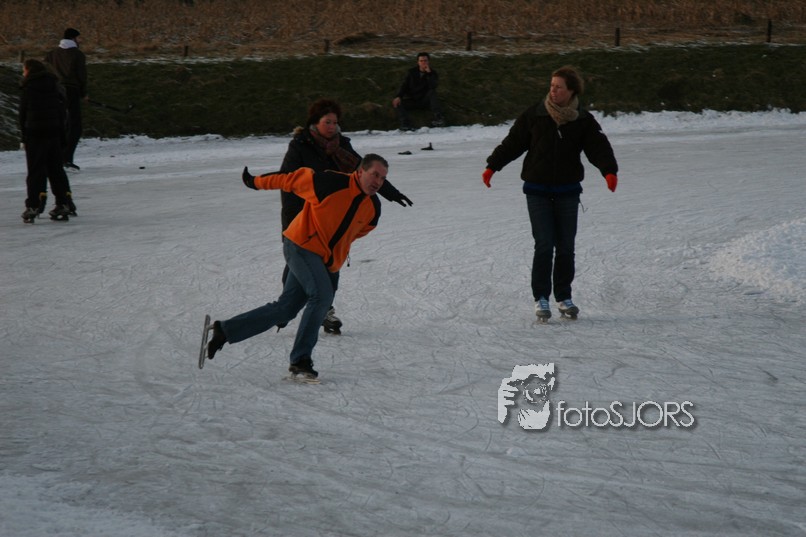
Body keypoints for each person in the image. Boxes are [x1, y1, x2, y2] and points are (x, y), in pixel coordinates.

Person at [205, 154, 391, 380]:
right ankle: (301, 360)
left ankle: (225, 330)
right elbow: (289, 180)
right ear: (360, 171)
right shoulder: (329, 183)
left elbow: (359, 231)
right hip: (300, 245)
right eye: (374, 175)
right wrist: (254, 182)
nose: (378, 182)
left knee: (286, 308)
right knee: (322, 297)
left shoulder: (373, 208)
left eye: (382, 178)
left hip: (324, 260)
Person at [481, 66, 618, 321]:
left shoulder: (582, 120)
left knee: (565, 246)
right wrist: (493, 166)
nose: (553, 90)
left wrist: (609, 171)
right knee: (544, 244)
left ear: (571, 91)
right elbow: (513, 143)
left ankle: (563, 297)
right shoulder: (535, 114)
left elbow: (598, 147)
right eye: (552, 86)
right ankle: (541, 297)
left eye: (559, 87)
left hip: (568, 191)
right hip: (537, 190)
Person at [278, 98, 412, 334]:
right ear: (315, 122)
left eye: (335, 122)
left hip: (333, 217)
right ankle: (284, 308)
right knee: (296, 265)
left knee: (331, 264)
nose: (332, 127)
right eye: (327, 122)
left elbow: (366, 172)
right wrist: (291, 221)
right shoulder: (300, 146)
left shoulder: (342, 147)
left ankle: (324, 310)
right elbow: (286, 183)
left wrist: (392, 193)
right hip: (303, 216)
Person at [18, 59, 73, 223]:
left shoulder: (28, 87)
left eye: (24, 70)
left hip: (35, 133)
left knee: (36, 170)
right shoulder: (54, 85)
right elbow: (62, 111)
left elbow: (23, 114)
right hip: (54, 132)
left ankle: (33, 204)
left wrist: (24, 137)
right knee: (56, 169)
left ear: (29, 70)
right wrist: (62, 133)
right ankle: (63, 202)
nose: (23, 73)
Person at [44, 27, 87, 171]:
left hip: (54, 91)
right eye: (79, 38)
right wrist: (83, 93)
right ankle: (66, 158)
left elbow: (46, 70)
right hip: (71, 90)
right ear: (73, 38)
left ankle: (56, 157)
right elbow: (81, 75)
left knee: (60, 124)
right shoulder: (77, 54)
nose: (80, 41)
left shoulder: (51, 54)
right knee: (75, 126)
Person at [392, 52, 444, 130]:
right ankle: (405, 124)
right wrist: (399, 96)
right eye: (421, 61)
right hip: (413, 99)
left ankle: (439, 119)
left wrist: (429, 73)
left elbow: (433, 86)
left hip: (425, 100)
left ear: (428, 61)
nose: (423, 63)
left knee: (432, 92)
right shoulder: (411, 72)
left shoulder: (433, 73)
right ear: (418, 62)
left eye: (425, 60)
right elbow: (404, 85)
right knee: (398, 103)